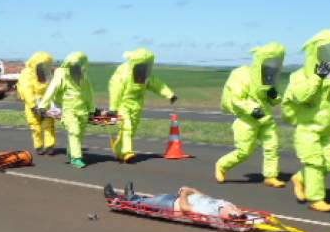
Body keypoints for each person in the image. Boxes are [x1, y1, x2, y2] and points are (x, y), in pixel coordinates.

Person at [281, 29, 330, 212]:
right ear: (315, 52)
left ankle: (300, 178)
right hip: (308, 127)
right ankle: (316, 199)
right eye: (326, 51)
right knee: (314, 163)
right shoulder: (299, 76)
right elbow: (301, 96)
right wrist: (317, 76)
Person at [215, 42, 287, 188]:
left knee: (272, 147)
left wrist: (274, 96)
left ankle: (271, 176)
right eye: (270, 61)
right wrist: (253, 109)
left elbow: (274, 100)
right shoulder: (243, 76)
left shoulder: (269, 77)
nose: (273, 65)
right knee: (244, 151)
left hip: (266, 118)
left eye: (276, 62)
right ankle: (222, 165)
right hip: (247, 120)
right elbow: (237, 99)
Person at [108, 48, 177, 162]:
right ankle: (127, 152)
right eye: (143, 66)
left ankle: (119, 150)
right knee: (127, 126)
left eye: (147, 67)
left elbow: (157, 85)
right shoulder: (124, 74)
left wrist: (170, 94)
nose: (145, 69)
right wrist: (113, 109)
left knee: (131, 130)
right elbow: (115, 91)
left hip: (137, 105)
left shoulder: (145, 76)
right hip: (123, 104)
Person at [36, 51, 96, 168]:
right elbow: (52, 89)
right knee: (74, 131)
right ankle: (76, 158)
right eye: (75, 64)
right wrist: (42, 105)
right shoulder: (62, 74)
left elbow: (89, 93)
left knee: (80, 133)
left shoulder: (83, 76)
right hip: (69, 109)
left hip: (82, 110)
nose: (77, 67)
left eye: (79, 64)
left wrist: (91, 109)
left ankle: (72, 152)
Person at [104, 182, 244, 220]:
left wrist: (184, 193)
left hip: (172, 205)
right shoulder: (223, 205)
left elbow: (185, 208)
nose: (235, 208)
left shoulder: (209, 212)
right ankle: (132, 198)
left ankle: (116, 199)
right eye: (236, 209)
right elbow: (205, 197)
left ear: (227, 215)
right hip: (176, 199)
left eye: (235, 211)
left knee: (146, 203)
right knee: (150, 200)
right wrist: (191, 190)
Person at [17, 51, 57, 155]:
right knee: (35, 126)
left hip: (46, 103)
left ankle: (50, 146)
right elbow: (26, 90)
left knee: (49, 125)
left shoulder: (48, 73)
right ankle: (38, 146)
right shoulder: (27, 73)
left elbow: (52, 87)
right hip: (33, 105)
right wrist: (33, 106)